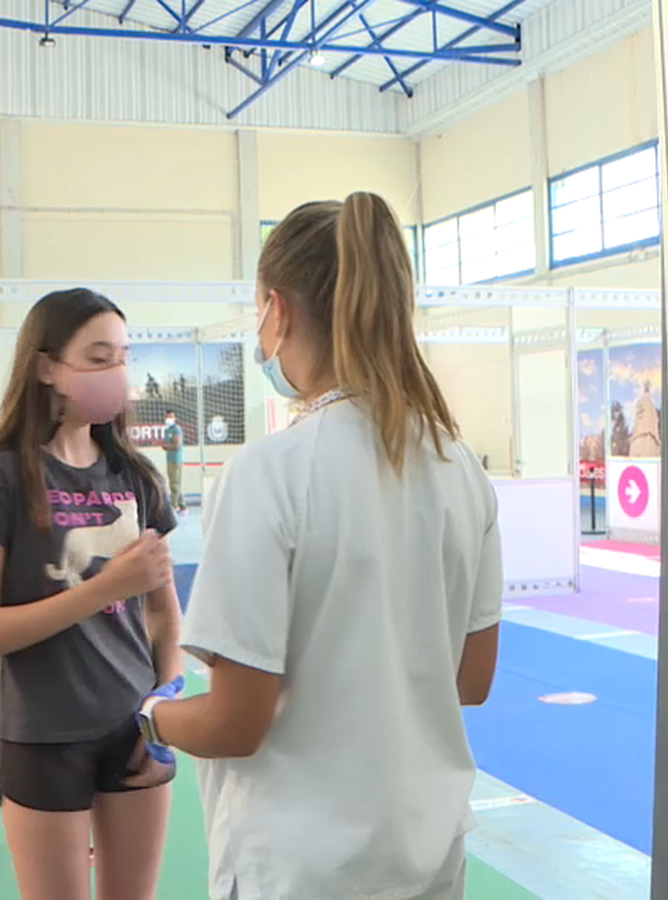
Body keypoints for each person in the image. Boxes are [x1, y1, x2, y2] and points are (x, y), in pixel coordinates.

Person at [135, 193, 504, 900]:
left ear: (279, 311)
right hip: (426, 857)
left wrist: (153, 717)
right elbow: (470, 680)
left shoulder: (268, 473)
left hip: (299, 868)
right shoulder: (461, 469)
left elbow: (236, 722)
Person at [0, 288, 183, 900]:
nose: (116, 373)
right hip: (43, 734)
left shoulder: (136, 477)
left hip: (134, 728)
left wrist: (162, 705)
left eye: (123, 357)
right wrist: (101, 589)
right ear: (47, 366)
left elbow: (164, 616)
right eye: (98, 357)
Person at [160, 410, 187, 513]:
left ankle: (174, 506)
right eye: (167, 417)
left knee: (174, 484)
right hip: (169, 459)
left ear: (175, 418)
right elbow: (167, 446)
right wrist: (163, 445)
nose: (169, 419)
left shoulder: (177, 429)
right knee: (174, 483)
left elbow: (176, 446)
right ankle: (183, 505)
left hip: (176, 460)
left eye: (171, 417)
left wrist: (165, 445)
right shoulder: (167, 430)